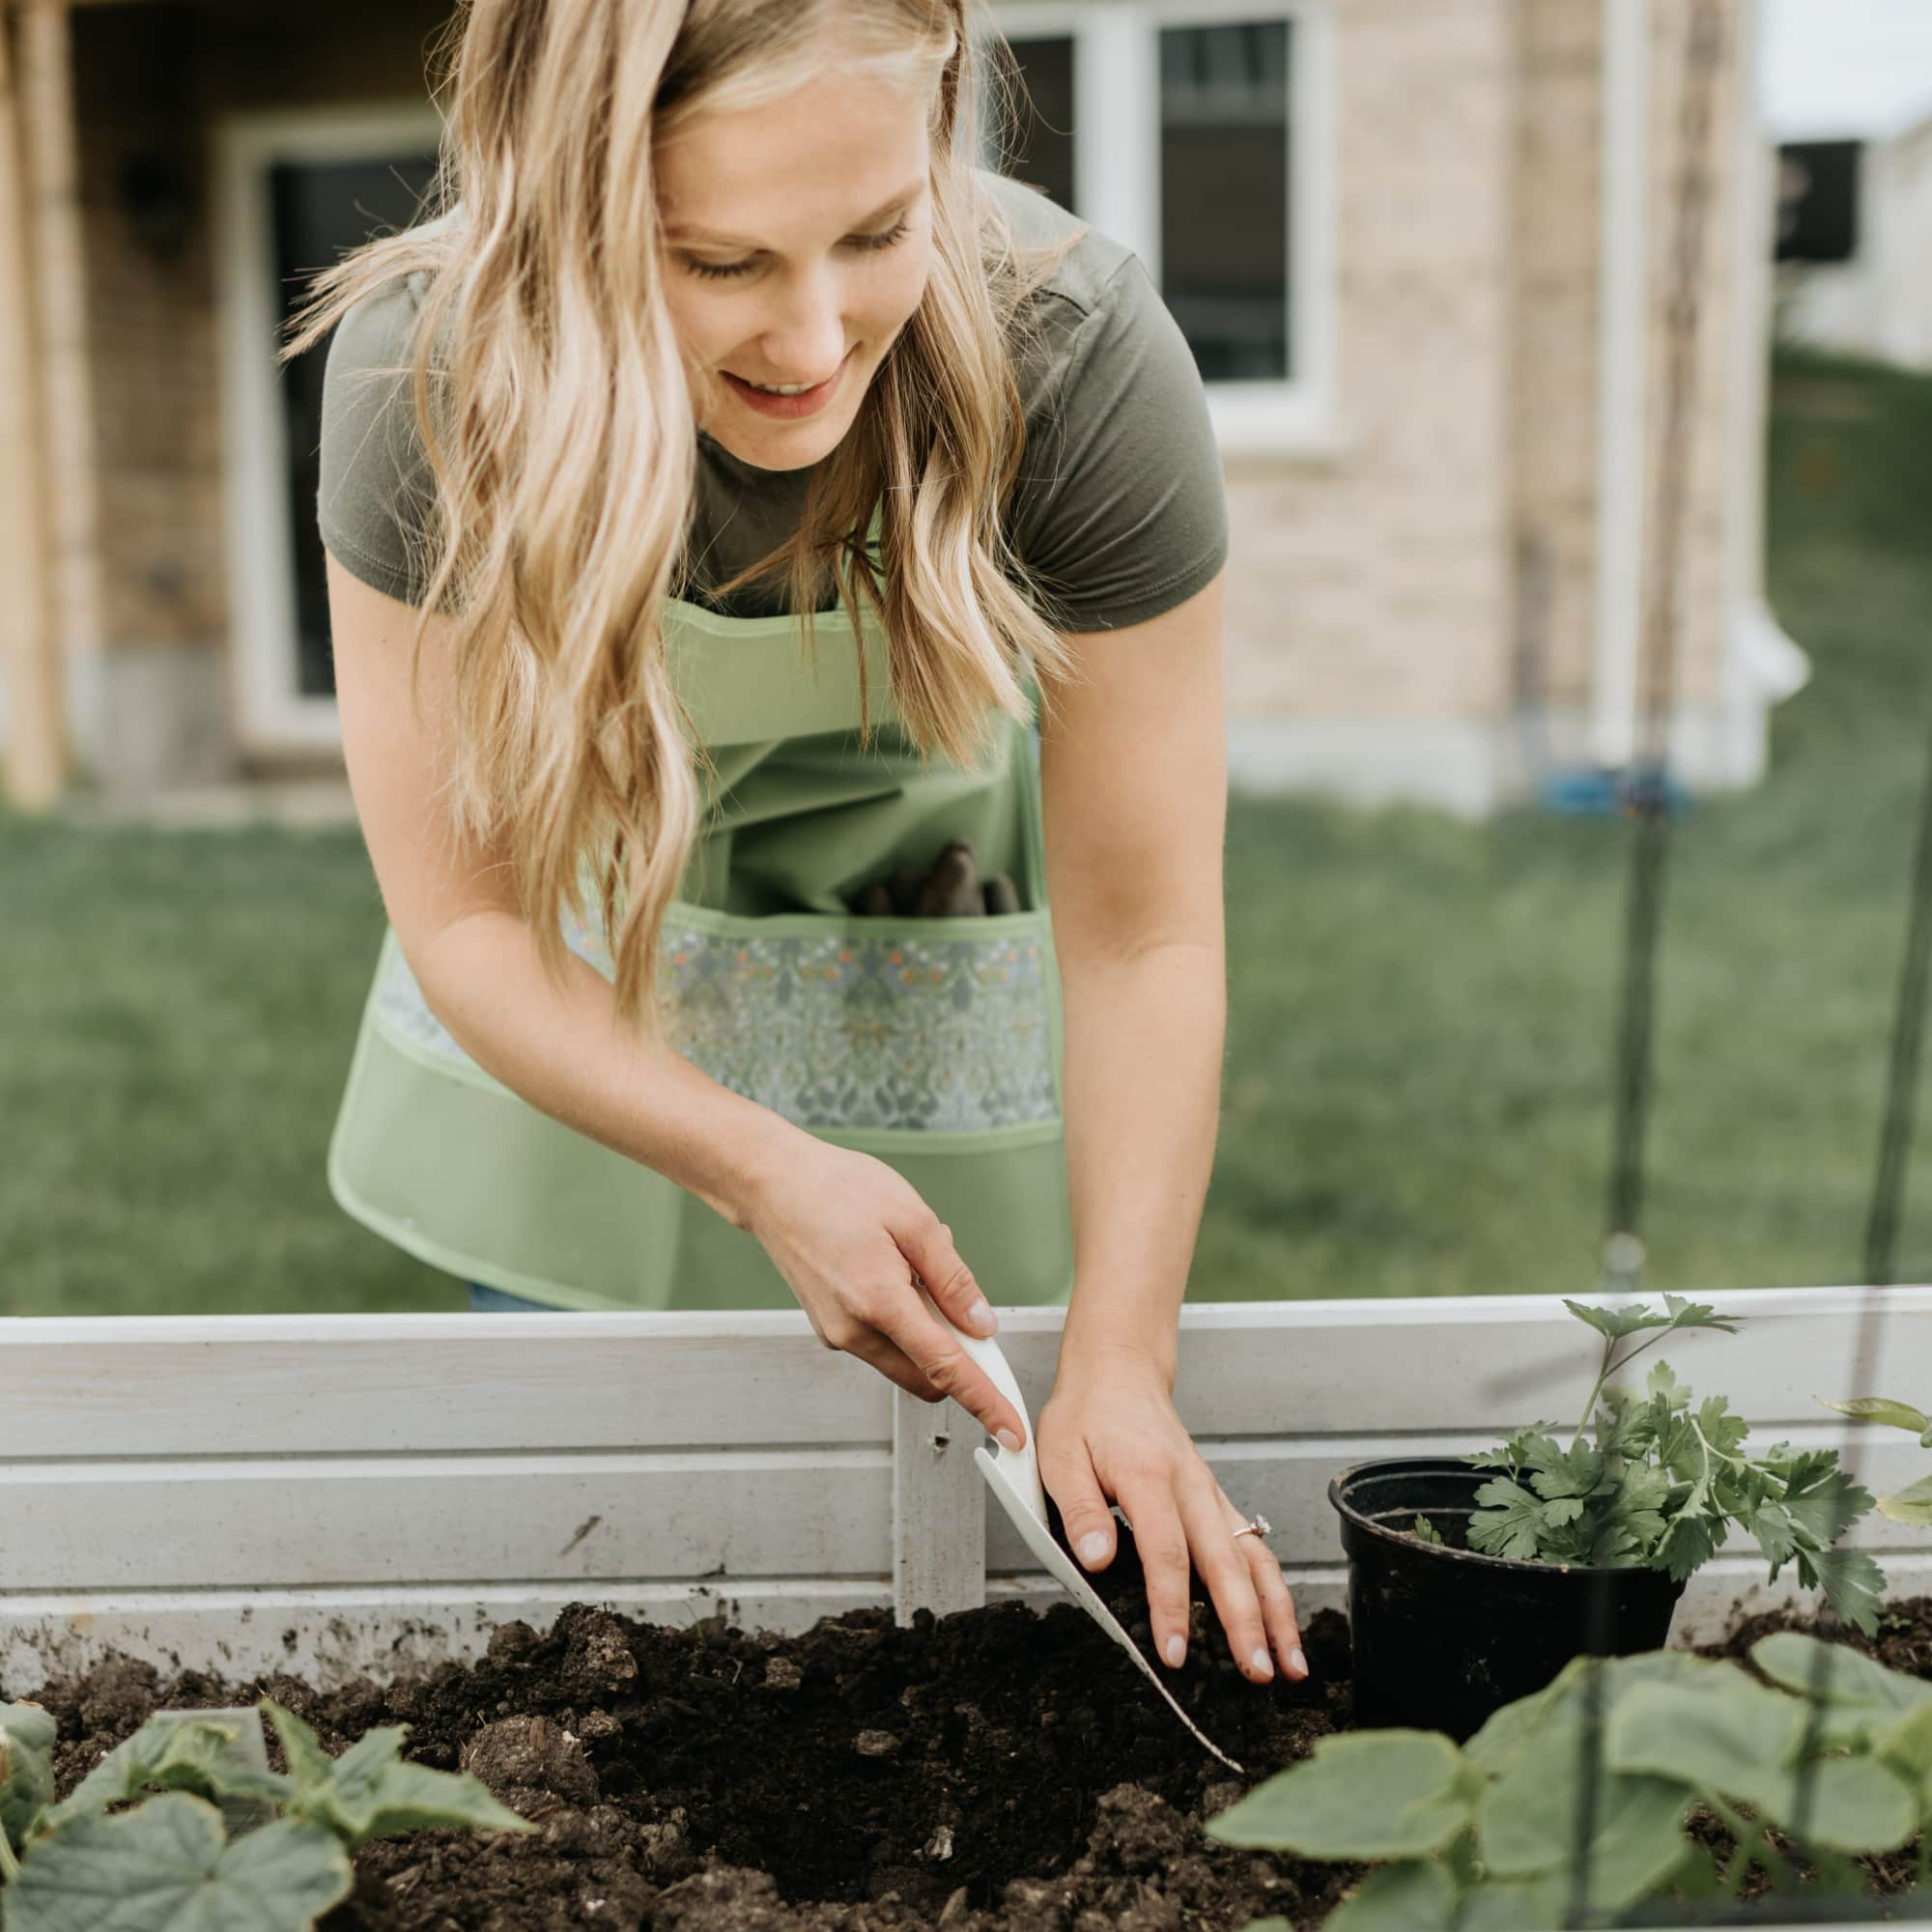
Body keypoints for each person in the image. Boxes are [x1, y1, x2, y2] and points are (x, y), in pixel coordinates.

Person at [293, 0, 1306, 1690]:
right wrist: (757, 1163)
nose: (817, 337)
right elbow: (469, 922)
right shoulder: (431, 375)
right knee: (585, 1620)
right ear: (568, 213)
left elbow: (1145, 937)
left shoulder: (1074, 361)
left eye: (880, 230)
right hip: (578, 999)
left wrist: (1125, 1360)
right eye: (718, 261)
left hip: (923, 940)